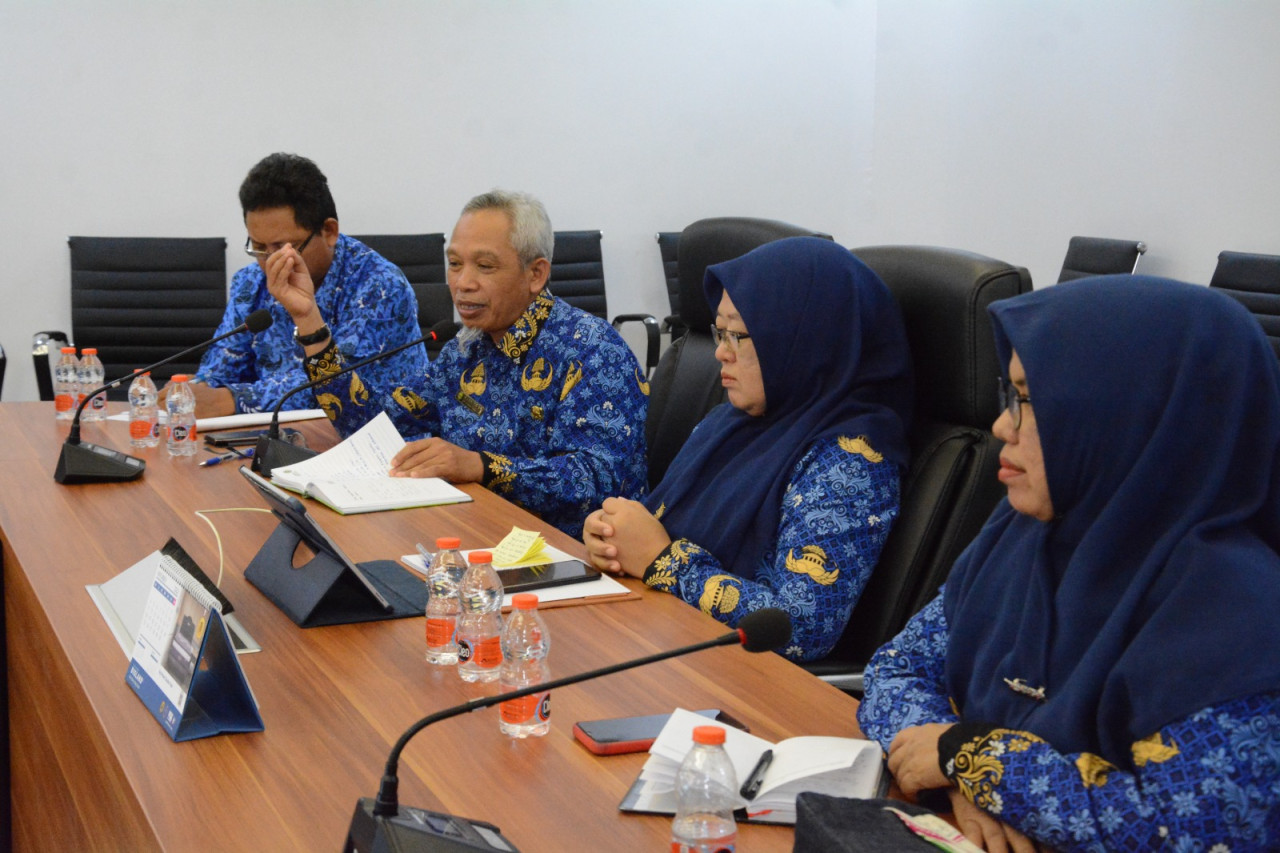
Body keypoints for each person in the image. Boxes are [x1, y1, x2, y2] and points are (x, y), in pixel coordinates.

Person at [855, 277, 1280, 852]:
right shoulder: (1023, 532)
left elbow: (1184, 828)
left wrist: (968, 757)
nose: (1002, 425)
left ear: (1129, 417)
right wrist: (957, 780)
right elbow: (896, 669)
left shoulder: (1241, 612)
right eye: (1011, 395)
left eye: (1030, 401)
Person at [582, 237, 914, 662]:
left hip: (740, 682)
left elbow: (802, 627)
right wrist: (610, 536)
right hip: (664, 639)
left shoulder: (851, 460)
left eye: (736, 335)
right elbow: (656, 523)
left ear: (802, 338)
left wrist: (663, 561)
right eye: (719, 332)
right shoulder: (728, 422)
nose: (720, 352)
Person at [388, 190, 648, 539]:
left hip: (573, 557)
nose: (463, 283)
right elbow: (384, 421)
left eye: (485, 266)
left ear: (536, 274)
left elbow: (595, 479)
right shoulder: (465, 348)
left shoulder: (594, 351)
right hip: (475, 531)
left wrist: (479, 465)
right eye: (454, 264)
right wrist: (313, 330)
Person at [179, 152, 427, 436]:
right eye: (259, 246)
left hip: (383, 446)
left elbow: (337, 393)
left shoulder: (380, 287)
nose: (269, 262)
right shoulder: (250, 282)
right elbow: (220, 370)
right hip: (278, 439)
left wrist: (234, 399)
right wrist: (196, 393)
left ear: (329, 231)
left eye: (284, 247)